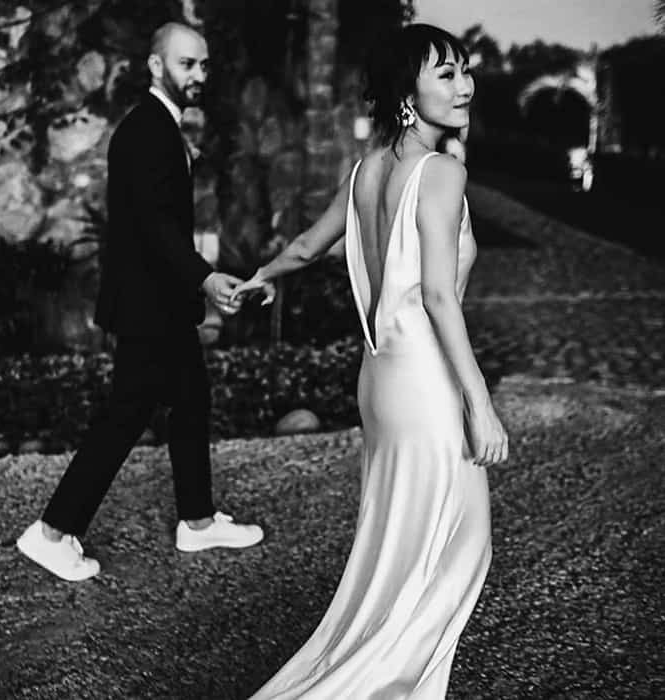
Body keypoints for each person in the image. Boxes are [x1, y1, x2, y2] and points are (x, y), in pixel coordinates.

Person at [233, 23, 508, 699]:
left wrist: (262, 276)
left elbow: (306, 247)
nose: (466, 85)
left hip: (380, 379)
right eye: (446, 73)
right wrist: (480, 404)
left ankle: (379, 669)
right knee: (461, 549)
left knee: (399, 540)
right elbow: (438, 295)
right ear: (405, 93)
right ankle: (383, 683)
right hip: (427, 385)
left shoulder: (364, 171)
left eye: (465, 70)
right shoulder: (442, 173)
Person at [17, 22, 264, 582]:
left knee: (191, 399)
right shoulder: (146, 131)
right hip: (148, 304)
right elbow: (155, 228)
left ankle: (198, 522)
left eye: (203, 64)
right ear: (156, 65)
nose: (199, 75)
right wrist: (205, 277)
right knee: (127, 412)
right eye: (187, 64)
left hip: (161, 302)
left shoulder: (161, 127)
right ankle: (51, 532)